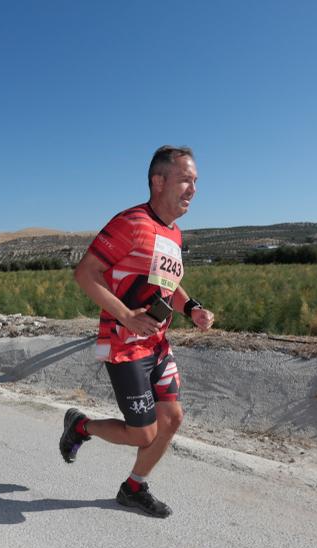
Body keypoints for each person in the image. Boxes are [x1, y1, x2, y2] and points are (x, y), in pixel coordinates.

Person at [58, 145, 215, 518]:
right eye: (185, 180)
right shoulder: (130, 223)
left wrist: (191, 308)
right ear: (158, 181)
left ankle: (133, 487)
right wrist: (127, 315)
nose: (193, 189)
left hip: (157, 342)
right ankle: (81, 426)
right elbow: (85, 274)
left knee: (172, 417)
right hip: (124, 345)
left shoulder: (173, 233)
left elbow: (167, 284)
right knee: (143, 433)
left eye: (196, 181)